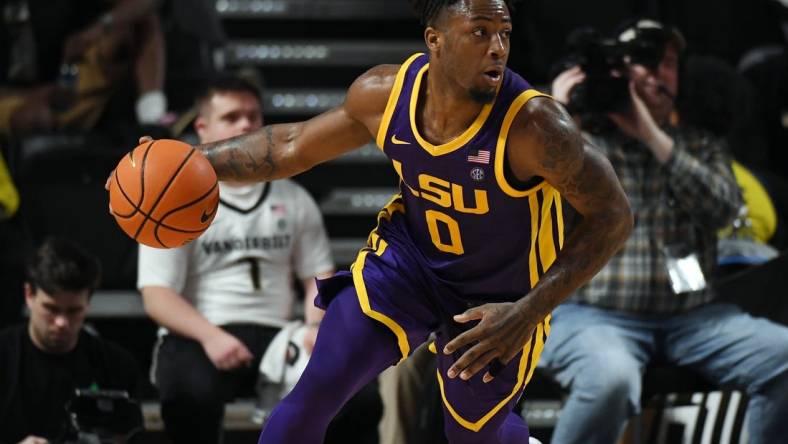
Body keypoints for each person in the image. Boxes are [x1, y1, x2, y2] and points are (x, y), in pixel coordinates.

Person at [130, 0, 634, 442]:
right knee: (318, 387)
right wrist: (188, 159)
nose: (498, 47)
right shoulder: (385, 93)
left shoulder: (536, 127)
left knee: (473, 434)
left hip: (499, 294)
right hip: (408, 266)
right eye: (480, 32)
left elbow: (613, 217)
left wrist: (527, 311)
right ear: (434, 40)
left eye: (503, 33)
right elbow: (290, 146)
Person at [539, 19, 788, 444]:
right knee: (611, 381)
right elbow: (525, 199)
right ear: (618, 71)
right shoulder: (581, 141)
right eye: (644, 62)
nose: (657, 73)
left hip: (695, 317)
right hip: (593, 315)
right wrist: (554, 114)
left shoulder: (697, 144)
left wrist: (652, 135)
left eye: (668, 63)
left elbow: (724, 209)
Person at [137, 77, 379, 444]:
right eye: (232, 117)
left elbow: (318, 275)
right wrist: (212, 337)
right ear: (202, 129)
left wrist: (315, 326)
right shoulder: (171, 201)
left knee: (359, 397)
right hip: (202, 333)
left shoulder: (294, 197)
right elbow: (157, 296)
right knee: (189, 394)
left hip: (280, 333)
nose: (246, 126)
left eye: (253, 116)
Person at [0, 236, 139, 444]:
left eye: (74, 311)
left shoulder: (116, 366)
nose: (62, 322)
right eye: (51, 309)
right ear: (29, 295)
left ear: (88, 303)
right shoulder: (4, 358)